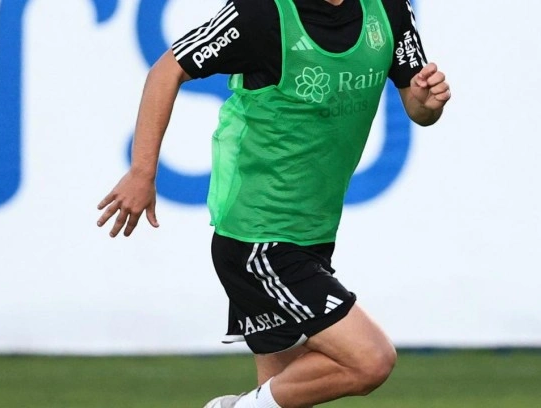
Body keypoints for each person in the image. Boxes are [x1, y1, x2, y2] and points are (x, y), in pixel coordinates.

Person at [96, 0, 450, 406]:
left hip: (312, 234)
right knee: (371, 360)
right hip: (258, 238)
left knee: (281, 397)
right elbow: (168, 68)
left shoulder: (388, 8)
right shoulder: (261, 12)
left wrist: (427, 102)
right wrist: (142, 172)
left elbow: (418, 106)